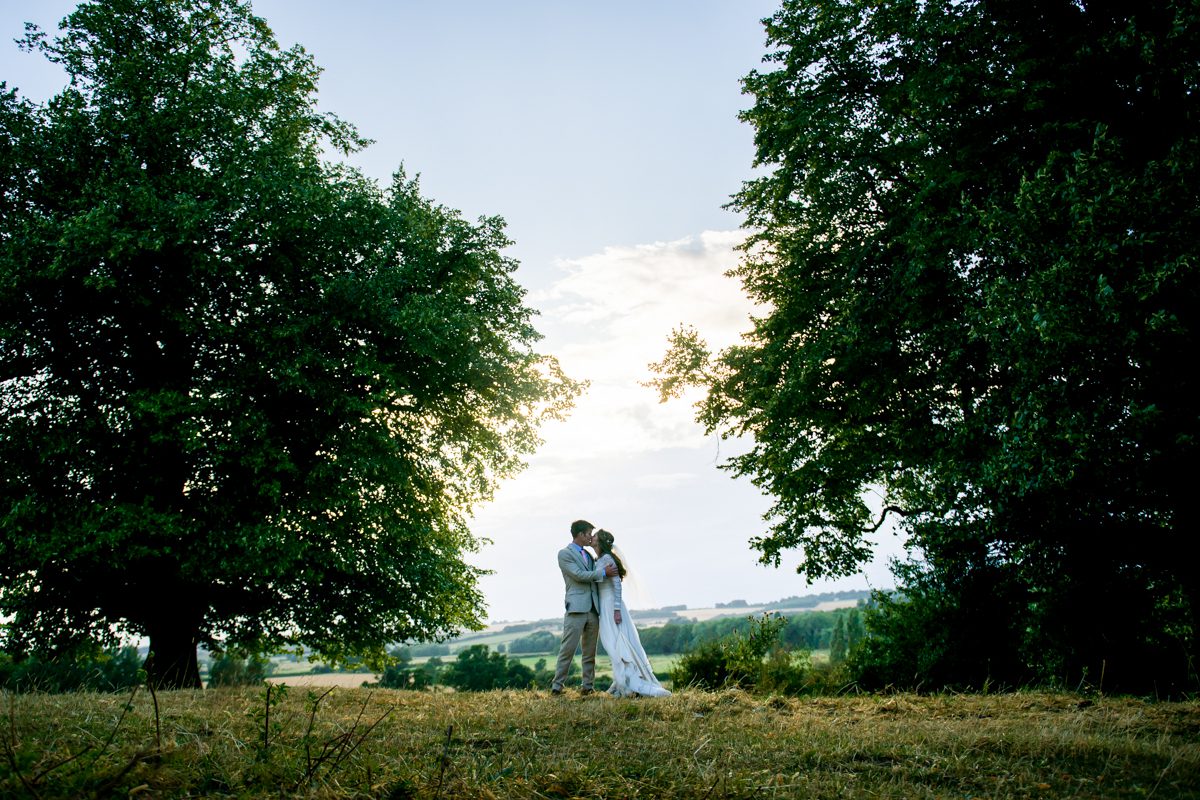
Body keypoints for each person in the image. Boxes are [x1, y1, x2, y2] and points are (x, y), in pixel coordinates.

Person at [593, 529, 671, 698]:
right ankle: (620, 680)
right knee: (612, 645)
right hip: (604, 607)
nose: (591, 538)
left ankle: (629, 683)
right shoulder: (599, 559)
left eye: (594, 537)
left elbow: (617, 585)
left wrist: (616, 610)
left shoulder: (607, 559)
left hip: (611, 606)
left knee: (619, 645)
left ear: (599, 542)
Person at [551, 519, 618, 695]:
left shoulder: (588, 555)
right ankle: (557, 687)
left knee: (590, 653)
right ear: (580, 534)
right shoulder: (564, 554)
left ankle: (587, 687)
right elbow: (579, 575)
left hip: (593, 610)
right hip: (576, 608)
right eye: (588, 533)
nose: (590, 537)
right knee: (568, 649)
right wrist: (604, 572)